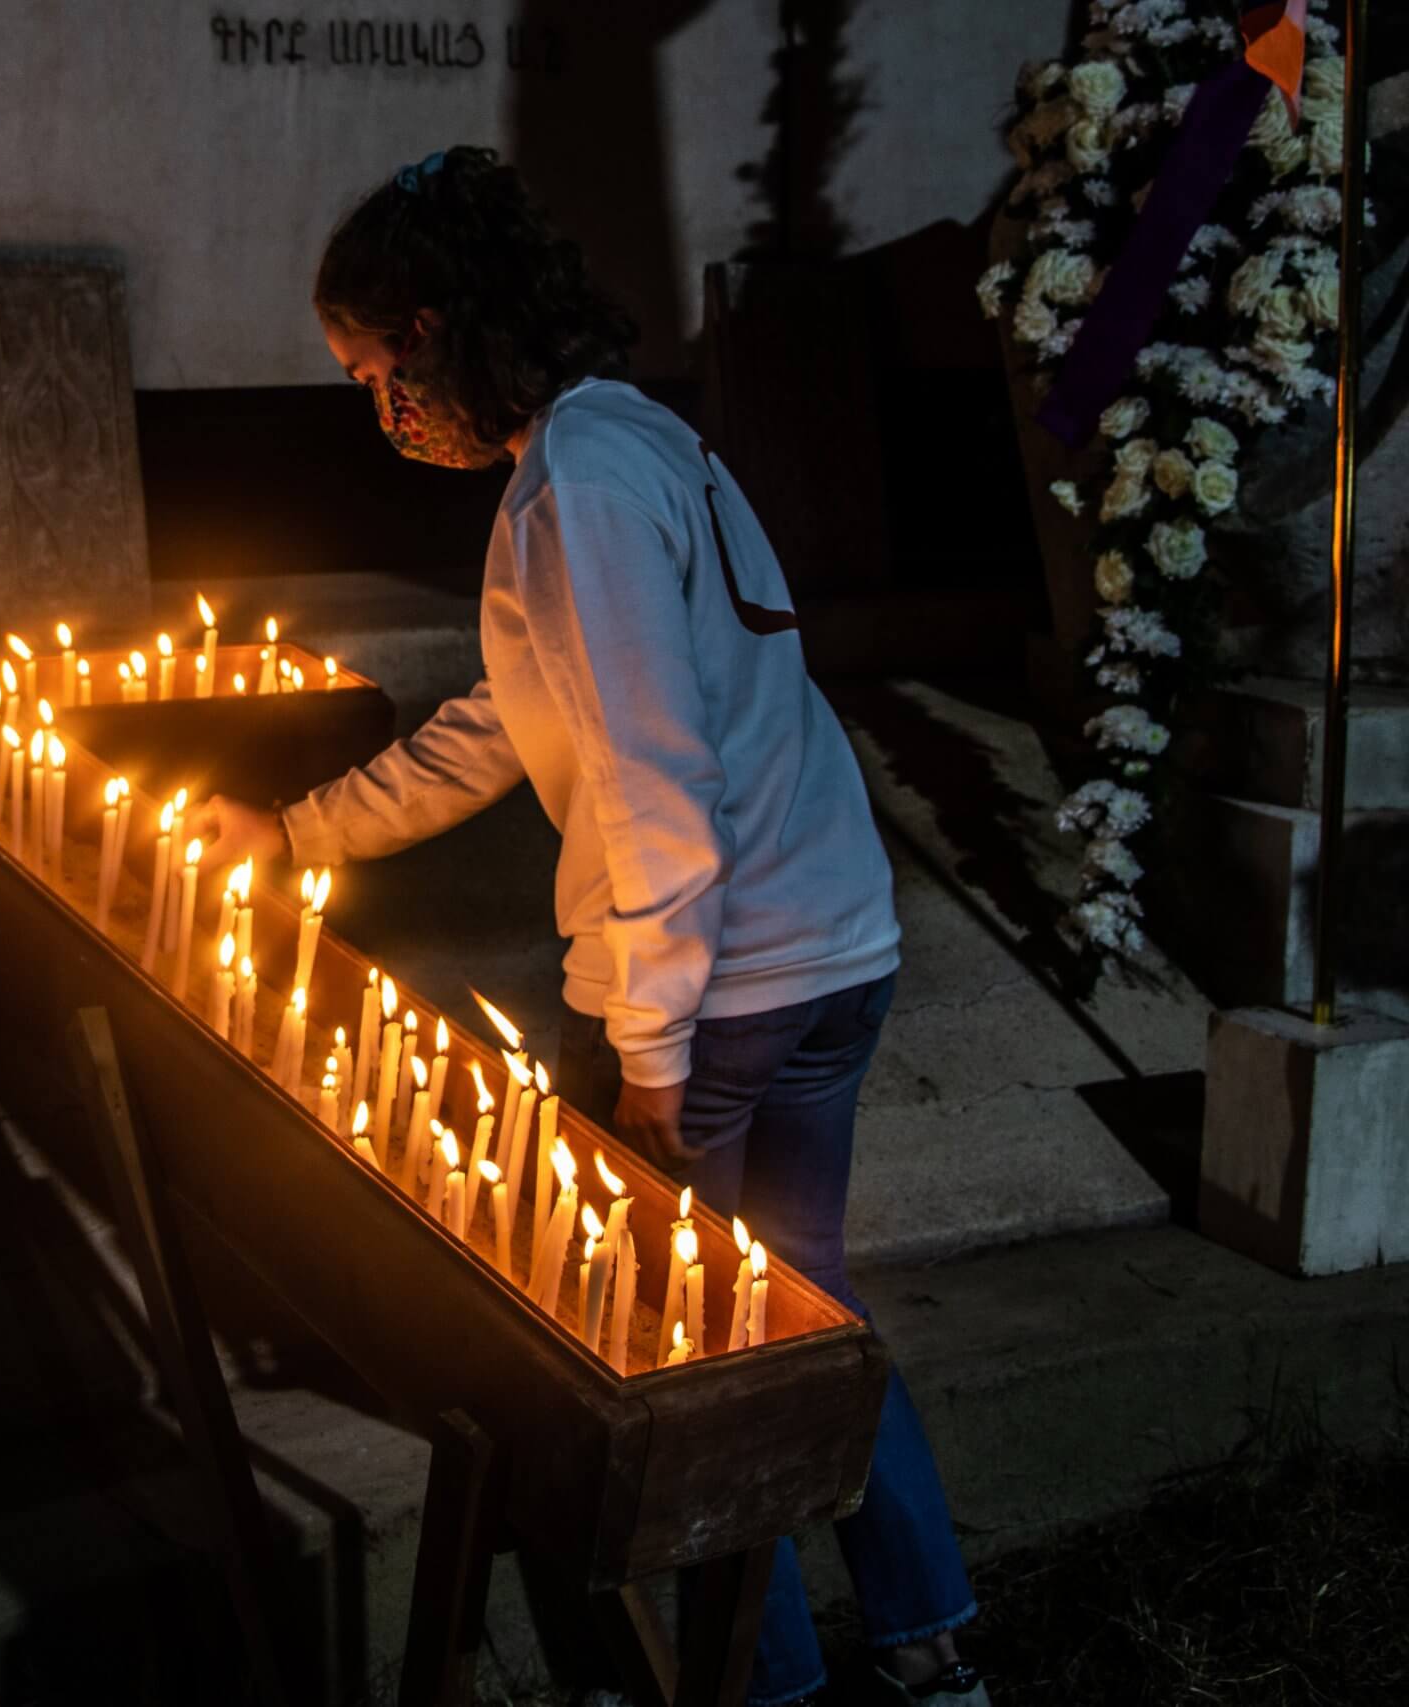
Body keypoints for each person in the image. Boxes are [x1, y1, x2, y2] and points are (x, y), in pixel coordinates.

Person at [191, 147, 987, 1707]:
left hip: (726, 992)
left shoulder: (579, 490)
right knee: (807, 1315)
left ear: (431, 328)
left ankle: (760, 1678)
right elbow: (509, 719)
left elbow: (652, 785)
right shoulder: (633, 443)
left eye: (373, 376)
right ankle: (932, 1638)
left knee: (684, 1365)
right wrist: (297, 833)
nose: (379, 414)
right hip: (829, 952)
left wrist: (647, 1048)